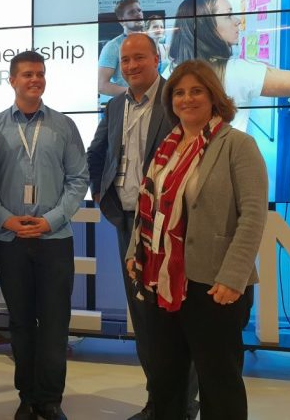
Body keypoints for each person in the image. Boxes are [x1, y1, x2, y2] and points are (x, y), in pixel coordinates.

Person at [125, 59, 268, 420]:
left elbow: (252, 216)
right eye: (179, 92)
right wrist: (134, 251)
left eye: (196, 91)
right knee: (165, 381)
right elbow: (150, 207)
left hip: (214, 285)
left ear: (214, 97)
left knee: (219, 382)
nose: (186, 99)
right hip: (161, 282)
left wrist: (233, 277)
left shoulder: (237, 145)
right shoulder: (166, 149)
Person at [0, 51, 88, 420]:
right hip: (10, 240)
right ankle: (27, 396)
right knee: (22, 322)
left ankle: (50, 398)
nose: (35, 80)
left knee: (55, 321)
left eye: (40, 74)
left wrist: (53, 219)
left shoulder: (63, 126)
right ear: (12, 80)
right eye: (27, 74)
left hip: (53, 239)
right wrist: (6, 219)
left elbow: (79, 179)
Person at [87, 33, 181, 420]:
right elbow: (97, 154)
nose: (130, 67)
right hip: (127, 223)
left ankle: (179, 405)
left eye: (138, 58)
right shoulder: (114, 106)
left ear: (157, 58)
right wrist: (104, 195)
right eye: (124, 61)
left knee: (171, 320)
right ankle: (157, 402)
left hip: (167, 227)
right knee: (142, 319)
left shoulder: (175, 100)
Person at [166, 0, 290, 130]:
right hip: (227, 161)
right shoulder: (236, 71)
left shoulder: (170, 71)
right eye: (227, 15)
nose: (238, 20)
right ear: (205, 26)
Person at [98, 0, 145, 97]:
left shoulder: (151, 42)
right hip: (128, 107)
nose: (138, 14)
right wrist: (134, 93)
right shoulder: (113, 46)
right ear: (122, 20)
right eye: (132, 12)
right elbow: (101, 85)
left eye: (139, 10)